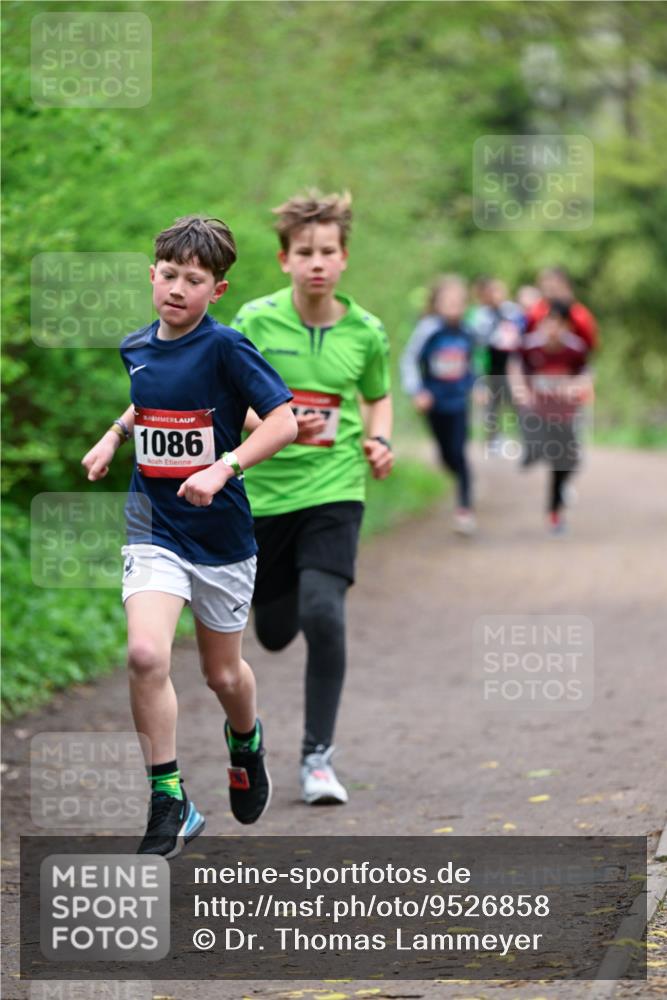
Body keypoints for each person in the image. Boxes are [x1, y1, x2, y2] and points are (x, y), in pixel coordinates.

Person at [81, 216, 297, 856]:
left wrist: (223, 465)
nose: (177, 288)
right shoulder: (136, 345)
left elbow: (283, 423)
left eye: (193, 279)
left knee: (222, 674)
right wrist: (115, 434)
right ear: (152, 276)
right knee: (146, 655)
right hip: (153, 526)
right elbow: (149, 395)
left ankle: (246, 740)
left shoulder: (228, 348)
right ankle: (169, 799)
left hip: (222, 537)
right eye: (168, 275)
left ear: (217, 290)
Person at [233, 190, 393, 806]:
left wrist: (379, 438)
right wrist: (269, 426)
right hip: (267, 496)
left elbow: (377, 395)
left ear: (344, 258)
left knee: (325, 613)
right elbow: (230, 392)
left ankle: (316, 758)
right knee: (273, 633)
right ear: (285, 260)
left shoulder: (366, 331)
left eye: (328, 251)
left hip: (334, 490)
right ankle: (290, 588)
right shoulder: (254, 321)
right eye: (305, 252)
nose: (317, 262)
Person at [510, 300, 595, 534]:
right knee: (546, 447)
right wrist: (521, 391)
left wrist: (575, 386)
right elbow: (515, 368)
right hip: (537, 412)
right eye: (548, 323)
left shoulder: (576, 349)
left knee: (566, 463)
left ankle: (555, 513)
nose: (552, 329)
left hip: (564, 413)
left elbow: (586, 375)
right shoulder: (529, 347)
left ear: (567, 326)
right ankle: (532, 451)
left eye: (558, 324)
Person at [401, 274, 476, 535]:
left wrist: (476, 386)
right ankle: (455, 474)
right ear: (437, 303)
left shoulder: (467, 331)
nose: (455, 305)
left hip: (459, 402)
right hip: (434, 403)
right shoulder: (429, 329)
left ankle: (464, 510)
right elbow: (409, 360)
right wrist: (417, 391)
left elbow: (470, 364)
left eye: (459, 300)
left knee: (460, 453)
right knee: (446, 455)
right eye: (449, 300)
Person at [469, 277, 524, 455]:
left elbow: (521, 333)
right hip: (490, 366)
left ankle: (523, 439)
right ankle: (492, 440)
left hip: (511, 366)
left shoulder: (513, 311)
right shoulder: (479, 315)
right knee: (492, 405)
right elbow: (476, 346)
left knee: (517, 402)